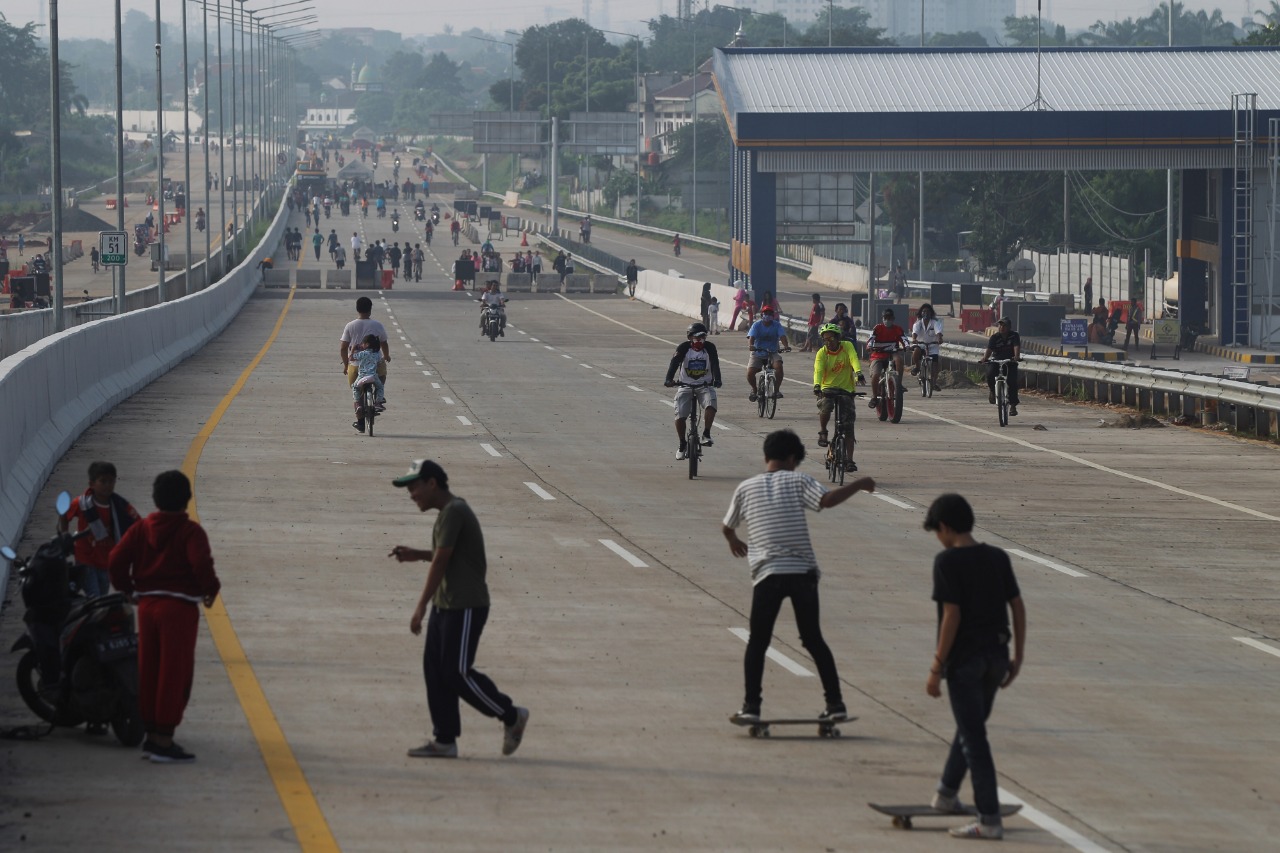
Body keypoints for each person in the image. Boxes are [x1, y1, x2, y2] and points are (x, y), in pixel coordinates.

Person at [722, 429, 876, 724]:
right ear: (793, 459)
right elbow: (827, 501)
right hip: (802, 573)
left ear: (766, 456)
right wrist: (859, 484)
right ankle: (836, 704)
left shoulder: (747, 487)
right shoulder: (798, 479)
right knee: (813, 639)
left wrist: (734, 541)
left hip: (767, 574)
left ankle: (751, 706)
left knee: (758, 641)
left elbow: (727, 526)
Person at [388, 459, 530, 759]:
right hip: (448, 602)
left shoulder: (455, 512)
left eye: (414, 488)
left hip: (465, 605)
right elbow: (446, 554)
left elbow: (442, 561)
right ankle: (445, 740)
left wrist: (419, 607)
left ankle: (511, 715)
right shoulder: (447, 514)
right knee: (436, 672)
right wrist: (417, 554)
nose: (411, 495)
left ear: (432, 484)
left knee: (456, 672)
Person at [921, 493, 1026, 841]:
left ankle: (989, 819)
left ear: (946, 527)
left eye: (937, 531)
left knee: (974, 737)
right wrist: (1018, 656)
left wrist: (936, 667)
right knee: (971, 726)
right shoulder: (997, 557)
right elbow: (1017, 607)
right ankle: (946, 794)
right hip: (997, 657)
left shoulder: (947, 562)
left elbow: (952, 616)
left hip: (965, 662)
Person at [107, 470, 221, 764]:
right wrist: (209, 590)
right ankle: (164, 741)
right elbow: (201, 564)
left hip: (147, 607)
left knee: (150, 669)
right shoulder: (190, 532)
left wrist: (127, 589)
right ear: (187, 500)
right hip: (178, 610)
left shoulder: (141, 528)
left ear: (156, 499)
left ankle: (151, 736)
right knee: (175, 673)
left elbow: (116, 559)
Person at [58, 461, 140, 598]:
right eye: (103, 481)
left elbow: (138, 522)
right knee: (94, 596)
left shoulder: (120, 506)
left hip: (106, 562)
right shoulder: (82, 504)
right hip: (85, 559)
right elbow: (64, 515)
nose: (107, 485)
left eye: (111, 481)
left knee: (102, 597)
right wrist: (65, 535)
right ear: (92, 484)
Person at [664, 322, 722, 459]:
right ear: (690, 337)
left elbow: (715, 363)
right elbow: (674, 364)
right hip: (685, 386)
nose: (700, 340)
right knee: (680, 415)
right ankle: (682, 443)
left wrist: (717, 379)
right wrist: (668, 379)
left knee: (711, 404)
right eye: (696, 337)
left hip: (704, 385)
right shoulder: (684, 348)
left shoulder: (710, 348)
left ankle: (706, 433)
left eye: (703, 337)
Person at [812, 324, 863, 470]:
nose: (828, 342)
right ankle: (823, 431)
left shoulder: (846, 346)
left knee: (848, 427)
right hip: (827, 388)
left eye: (831, 338)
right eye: (825, 339)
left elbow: (853, 359)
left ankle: (850, 460)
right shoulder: (822, 353)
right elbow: (819, 370)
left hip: (846, 388)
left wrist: (858, 372)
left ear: (838, 338)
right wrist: (817, 386)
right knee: (826, 405)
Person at [340, 296, 392, 433]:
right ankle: (377, 399)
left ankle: (360, 422)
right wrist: (386, 356)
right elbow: (384, 343)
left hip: (355, 366)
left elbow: (343, 348)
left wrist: (346, 365)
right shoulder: (377, 325)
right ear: (370, 309)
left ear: (357, 309)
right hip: (376, 364)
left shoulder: (350, 325)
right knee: (382, 376)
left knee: (356, 392)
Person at [865, 308, 908, 410]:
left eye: (889, 318)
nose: (887, 320)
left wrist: (907, 346)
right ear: (882, 319)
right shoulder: (877, 328)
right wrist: (869, 346)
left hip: (891, 353)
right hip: (878, 355)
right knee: (875, 374)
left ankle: (898, 384)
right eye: (885, 318)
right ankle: (874, 397)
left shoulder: (898, 329)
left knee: (899, 360)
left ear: (893, 319)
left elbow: (904, 339)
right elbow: (871, 339)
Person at [980, 317, 1021, 416]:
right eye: (1000, 325)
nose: (1001, 327)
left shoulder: (1014, 336)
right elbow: (989, 349)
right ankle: (993, 392)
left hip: (1010, 361)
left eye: (1004, 325)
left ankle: (1013, 406)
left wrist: (1016, 357)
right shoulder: (994, 337)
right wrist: (985, 358)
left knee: (1012, 381)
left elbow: (1016, 346)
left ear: (1009, 327)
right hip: (996, 360)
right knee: (990, 375)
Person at [746, 307, 790, 402]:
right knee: (750, 373)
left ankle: (776, 390)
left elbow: (782, 336)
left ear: (773, 316)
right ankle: (754, 389)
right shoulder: (756, 325)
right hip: (758, 352)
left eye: (770, 314)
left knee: (779, 366)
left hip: (772, 352)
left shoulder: (777, 325)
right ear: (762, 315)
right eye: (766, 313)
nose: (768, 316)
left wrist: (786, 346)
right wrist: (751, 345)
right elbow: (752, 337)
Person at [350, 333, 387, 418]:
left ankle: (358, 404)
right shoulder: (377, 354)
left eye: (363, 343)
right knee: (380, 387)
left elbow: (351, 358)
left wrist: (353, 349)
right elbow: (379, 362)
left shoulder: (363, 353)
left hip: (362, 376)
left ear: (367, 344)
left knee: (355, 388)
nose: (362, 345)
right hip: (373, 376)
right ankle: (378, 402)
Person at [910, 302, 945, 385]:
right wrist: (914, 339)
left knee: (935, 365)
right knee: (916, 351)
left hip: (932, 346)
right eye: (924, 312)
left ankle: (933, 382)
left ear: (931, 313)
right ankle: (917, 367)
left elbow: (938, 332)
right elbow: (915, 332)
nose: (926, 313)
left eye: (928, 312)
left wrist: (940, 339)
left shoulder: (935, 323)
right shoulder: (918, 323)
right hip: (921, 345)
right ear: (921, 313)